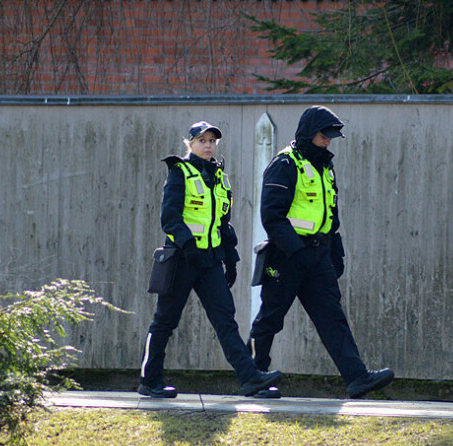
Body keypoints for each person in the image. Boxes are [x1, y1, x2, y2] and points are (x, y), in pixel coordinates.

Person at [247, 106, 394, 399]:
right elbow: (272, 216)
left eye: (331, 136)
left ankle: (357, 378)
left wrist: (334, 250)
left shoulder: (324, 167)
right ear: (308, 133)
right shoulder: (285, 164)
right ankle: (254, 377)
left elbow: (330, 214)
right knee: (270, 318)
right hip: (287, 256)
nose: (328, 141)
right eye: (324, 135)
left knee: (332, 317)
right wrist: (297, 251)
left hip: (317, 256)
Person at [139, 121, 282, 398]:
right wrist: (189, 246)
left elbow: (222, 224)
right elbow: (170, 219)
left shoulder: (220, 177)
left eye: (212, 141)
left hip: (210, 261)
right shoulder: (180, 172)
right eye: (201, 140)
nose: (207, 145)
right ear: (189, 144)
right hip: (182, 259)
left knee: (225, 321)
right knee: (164, 321)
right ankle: (149, 380)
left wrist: (231, 259)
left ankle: (250, 379)